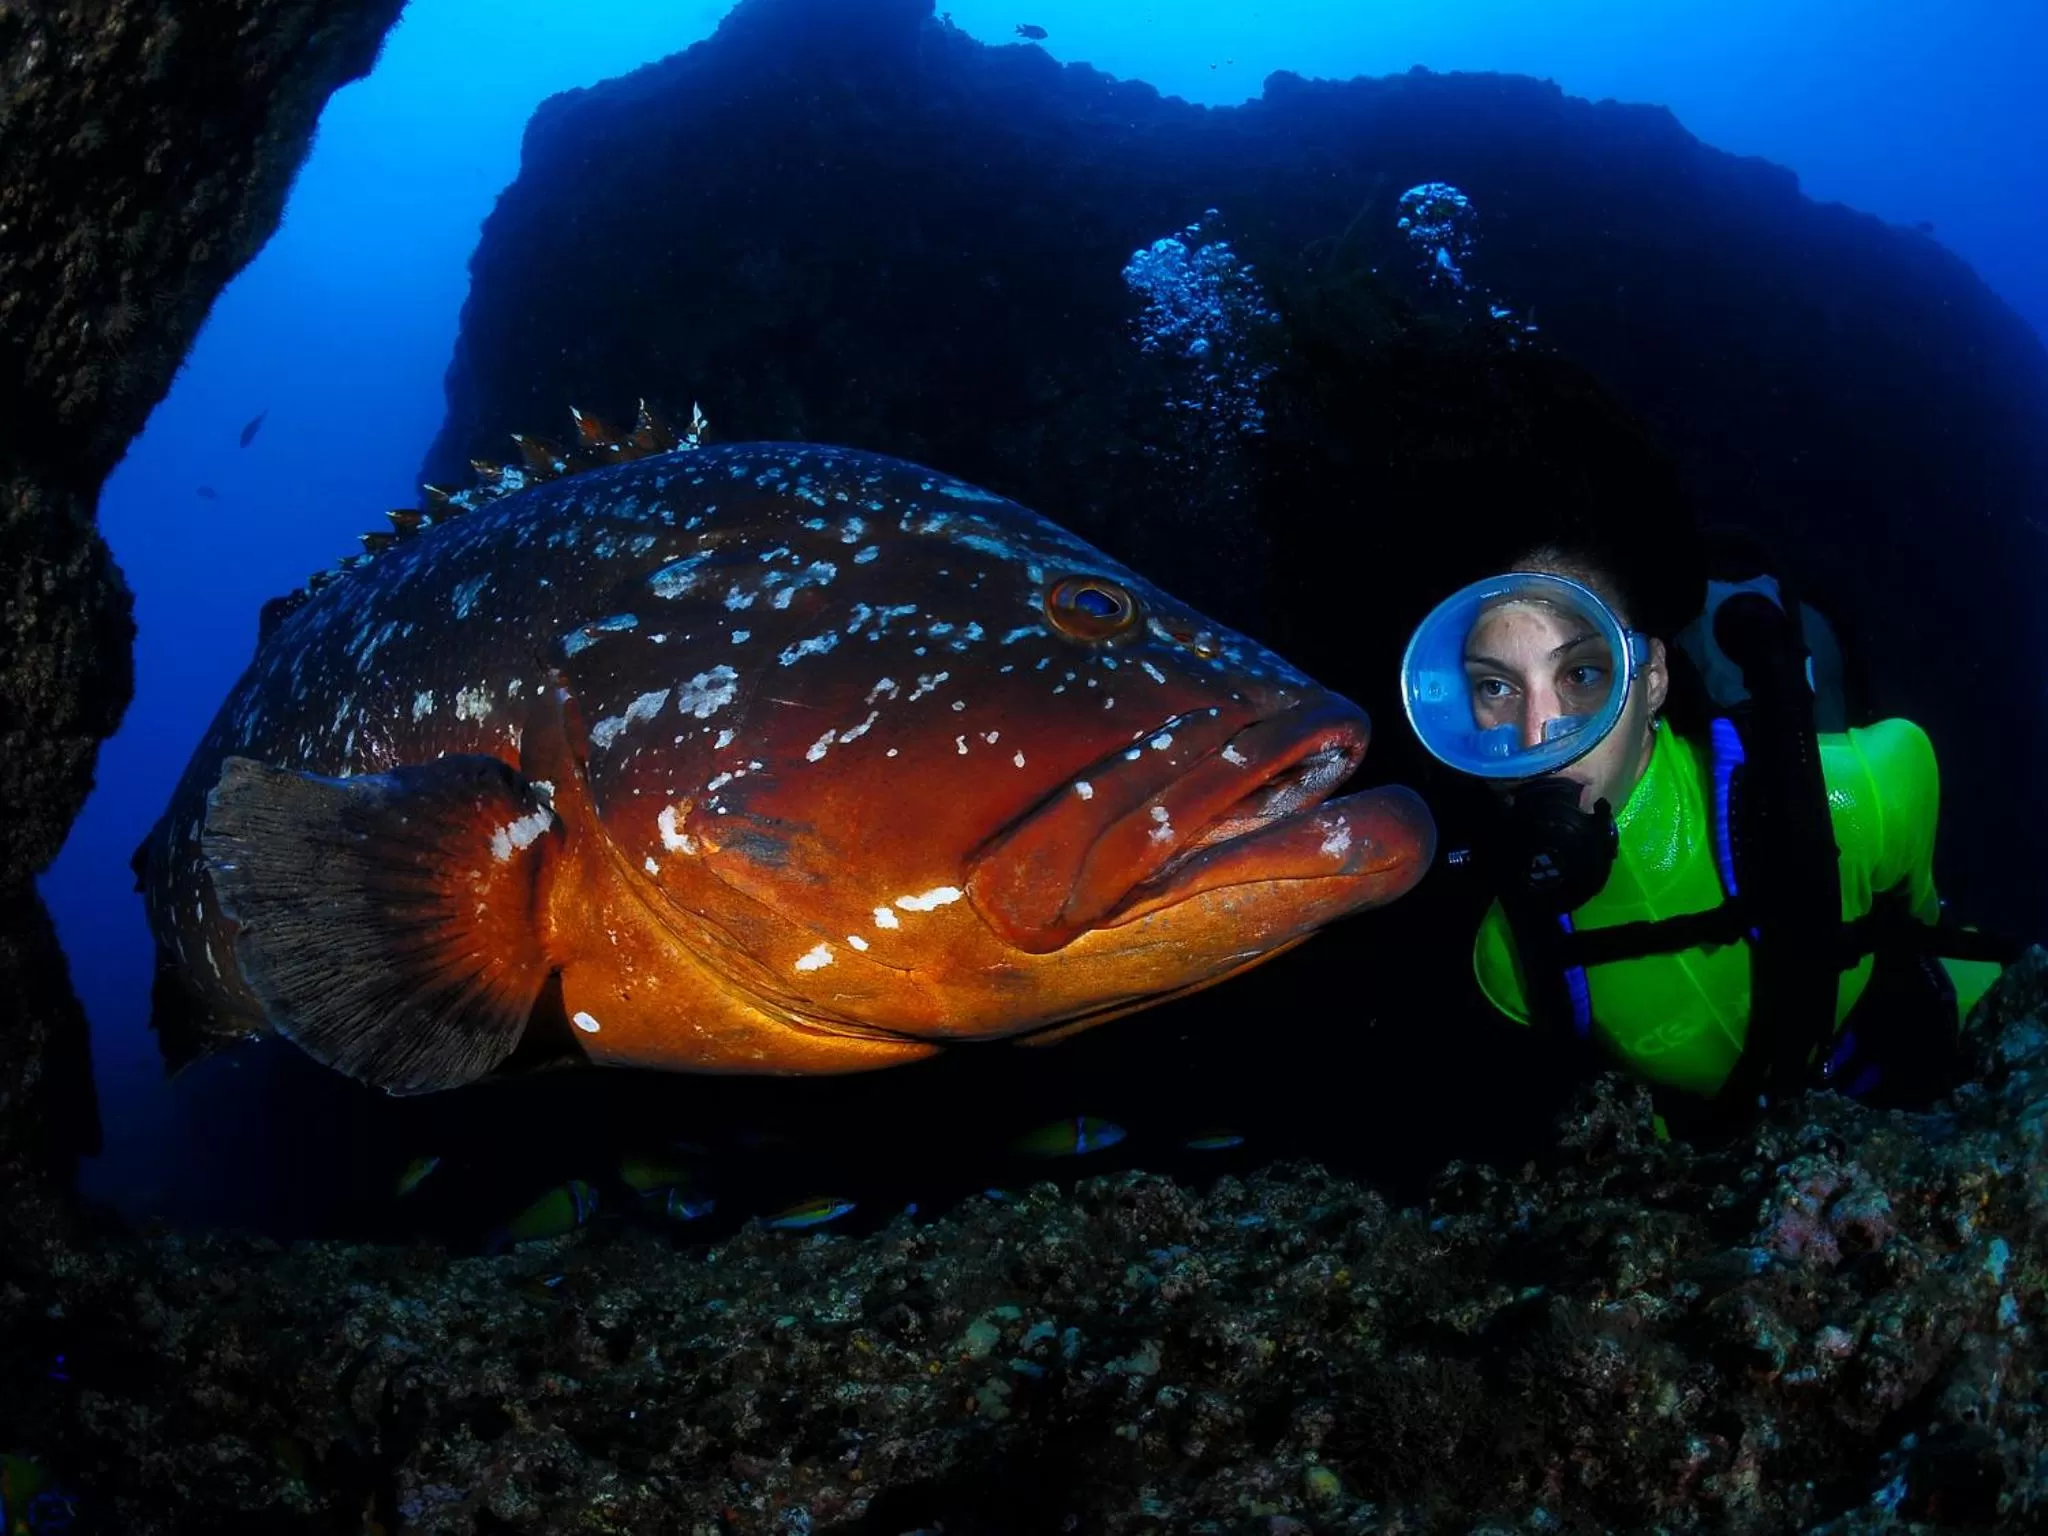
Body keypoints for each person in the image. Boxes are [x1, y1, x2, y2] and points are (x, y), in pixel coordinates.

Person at [1400, 535, 2008, 1114]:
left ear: (1652, 680)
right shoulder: (1507, 959)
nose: (1538, 739)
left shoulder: (1853, 797)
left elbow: (1906, 775)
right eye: (1495, 686)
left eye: (1583, 674)